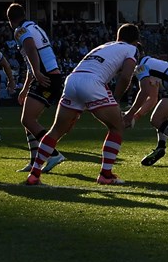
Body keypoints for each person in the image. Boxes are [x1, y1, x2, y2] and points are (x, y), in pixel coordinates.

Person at [26, 23, 141, 186]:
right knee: (117, 126)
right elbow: (125, 77)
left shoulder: (105, 46)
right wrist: (116, 100)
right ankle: (105, 175)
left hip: (73, 79)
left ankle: (34, 174)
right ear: (136, 41)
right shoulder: (131, 49)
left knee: (56, 130)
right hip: (92, 82)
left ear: (118, 37)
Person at [7, 3, 66, 174]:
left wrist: (38, 73)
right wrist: (25, 89)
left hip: (46, 77)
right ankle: (34, 161)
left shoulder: (20, 31)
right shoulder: (34, 27)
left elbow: (31, 49)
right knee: (28, 120)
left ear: (10, 20)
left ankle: (53, 154)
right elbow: (32, 59)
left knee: (28, 120)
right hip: (49, 75)